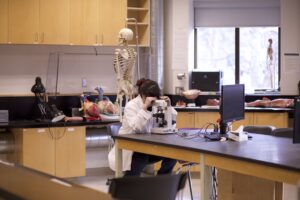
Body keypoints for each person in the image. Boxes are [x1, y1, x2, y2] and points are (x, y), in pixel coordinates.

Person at [108, 78, 177, 176]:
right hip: (132, 148)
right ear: (143, 95)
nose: (153, 101)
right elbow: (137, 127)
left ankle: (161, 182)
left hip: (149, 147)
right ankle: (131, 183)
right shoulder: (131, 106)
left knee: (172, 154)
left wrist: (168, 107)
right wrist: (145, 108)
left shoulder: (157, 103)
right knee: (141, 155)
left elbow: (172, 123)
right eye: (150, 98)